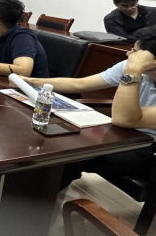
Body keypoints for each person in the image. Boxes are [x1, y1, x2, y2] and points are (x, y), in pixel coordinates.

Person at [22, 25, 156, 189]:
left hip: (149, 147)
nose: (129, 54)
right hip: (125, 134)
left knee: (72, 155)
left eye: (135, 52)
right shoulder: (131, 67)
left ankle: (35, 198)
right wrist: (30, 81)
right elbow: (80, 84)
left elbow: (123, 119)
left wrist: (132, 72)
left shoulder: (132, 69)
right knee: (58, 141)